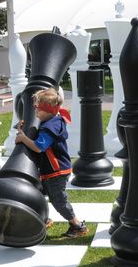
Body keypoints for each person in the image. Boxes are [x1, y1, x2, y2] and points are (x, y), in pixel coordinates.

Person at [15, 87, 89, 238]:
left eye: (37, 108)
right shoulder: (52, 120)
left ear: (47, 110)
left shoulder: (50, 127)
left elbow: (38, 147)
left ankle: (77, 226)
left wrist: (23, 138)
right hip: (51, 170)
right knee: (36, 193)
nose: (35, 111)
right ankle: (44, 218)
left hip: (56, 171)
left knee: (58, 201)